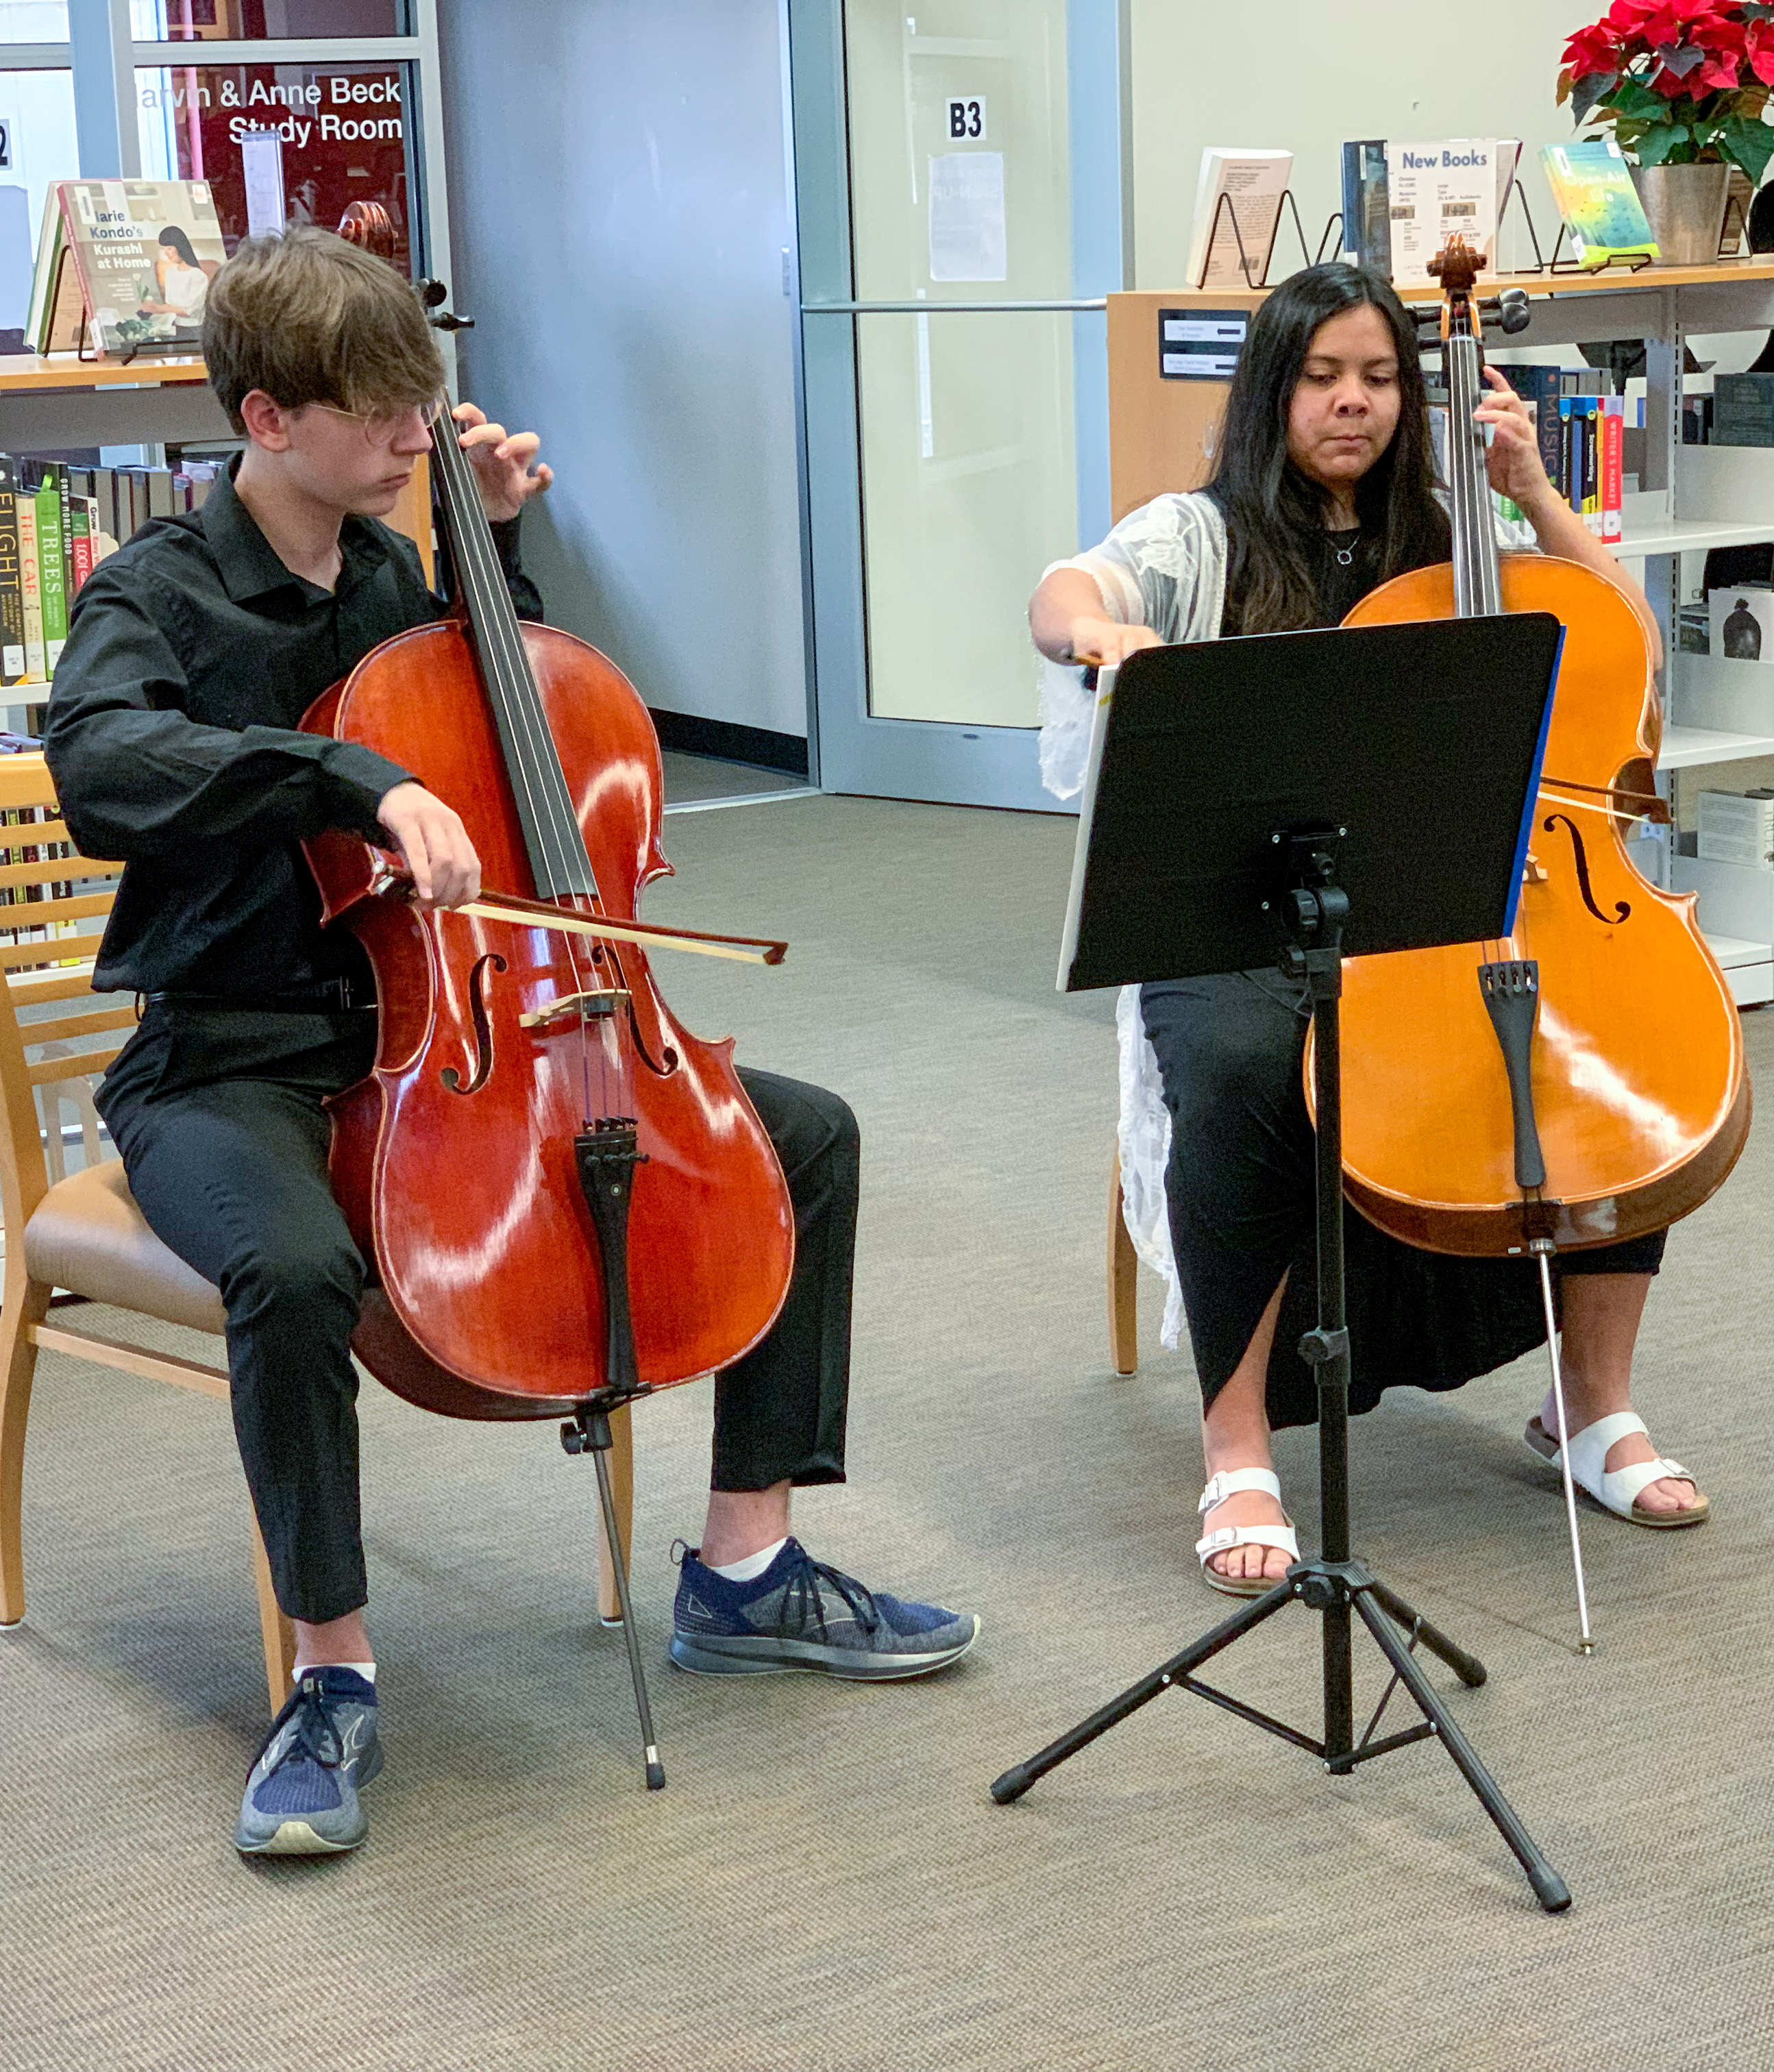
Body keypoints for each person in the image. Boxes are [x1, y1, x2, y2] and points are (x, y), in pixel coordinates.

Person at [45, 228, 977, 1860]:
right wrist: (343, 780)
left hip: (466, 1033)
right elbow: (106, 766)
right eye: (381, 414)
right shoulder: (153, 594)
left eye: (424, 405)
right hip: (234, 1052)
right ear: (268, 420)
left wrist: (489, 558)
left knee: (800, 1136)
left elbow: (497, 739)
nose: (416, 435)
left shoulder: (402, 568)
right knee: (291, 1269)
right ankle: (330, 1677)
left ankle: (745, 1567)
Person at [1029, 262, 1708, 1599]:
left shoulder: (1453, 528)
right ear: (1271, 388)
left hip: (1431, 902)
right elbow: (1062, 593)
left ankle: (1588, 1403)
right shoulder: (1196, 533)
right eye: (1322, 377)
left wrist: (1530, 492)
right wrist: (1104, 632)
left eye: (1380, 378)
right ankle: (1236, 1442)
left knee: (1614, 1031)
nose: (1352, 404)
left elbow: (1620, 650)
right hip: (1244, 909)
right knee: (1236, 1060)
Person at [137, 224, 210, 327]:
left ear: (180, 247)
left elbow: (190, 311)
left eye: (169, 248)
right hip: (174, 326)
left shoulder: (198, 276)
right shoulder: (170, 272)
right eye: (164, 249)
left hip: (194, 329)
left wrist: (158, 309)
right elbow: (170, 305)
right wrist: (153, 307)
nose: (166, 253)